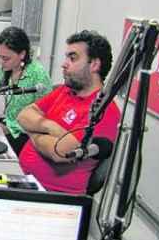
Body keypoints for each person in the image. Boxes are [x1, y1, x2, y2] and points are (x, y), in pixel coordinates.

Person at [17, 30, 121, 195]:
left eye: (72, 58)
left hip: (53, 196)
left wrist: (32, 131)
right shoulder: (65, 91)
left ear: (94, 64)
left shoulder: (105, 111)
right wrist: (50, 126)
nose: (64, 64)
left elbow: (59, 152)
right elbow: (24, 115)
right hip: (24, 179)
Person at [0, 26, 52, 155]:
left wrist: (9, 128)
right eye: (0, 57)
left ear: (22, 54)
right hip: (7, 124)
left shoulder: (38, 75)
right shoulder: (6, 69)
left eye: (6, 58)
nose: (1, 63)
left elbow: (46, 118)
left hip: (26, 134)